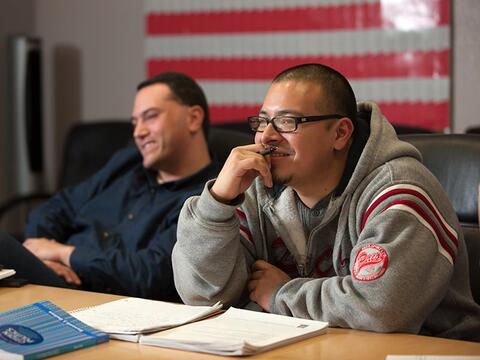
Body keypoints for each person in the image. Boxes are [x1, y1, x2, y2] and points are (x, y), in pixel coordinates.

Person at [172, 63, 480, 340]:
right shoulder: (254, 186)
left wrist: (280, 293)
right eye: (262, 121)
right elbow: (203, 296)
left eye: (288, 122)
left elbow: (380, 308)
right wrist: (218, 202)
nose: (266, 137)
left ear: (340, 134)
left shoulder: (399, 191)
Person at [0, 72, 218, 301]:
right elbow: (56, 208)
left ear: (193, 118)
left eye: (150, 117)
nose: (138, 132)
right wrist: (41, 259)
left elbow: (150, 274)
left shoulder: (208, 197)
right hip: (53, 282)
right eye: (135, 122)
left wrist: (66, 254)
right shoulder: (127, 163)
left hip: (103, 301)